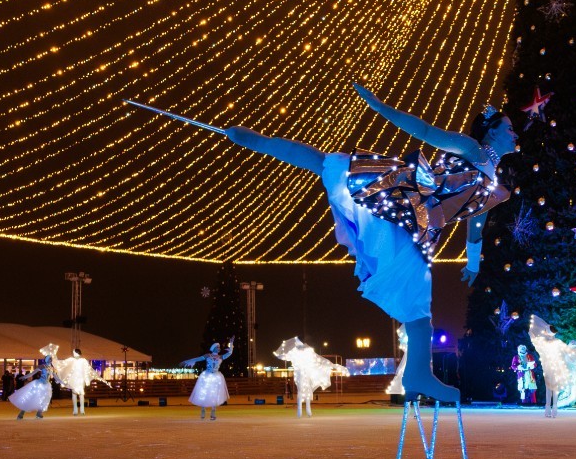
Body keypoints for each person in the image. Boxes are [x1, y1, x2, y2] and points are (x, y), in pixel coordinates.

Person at [127, 84, 516, 403]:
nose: (516, 134)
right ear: (493, 130)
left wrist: (474, 263)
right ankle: (255, 140)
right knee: (329, 165)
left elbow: (476, 224)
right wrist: (381, 107)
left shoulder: (493, 185)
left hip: (419, 229)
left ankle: (417, 376)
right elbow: (426, 133)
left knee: (420, 311)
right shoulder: (472, 149)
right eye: (510, 127)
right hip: (404, 200)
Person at [528, 316, 576, 418]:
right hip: (555, 367)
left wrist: (531, 335)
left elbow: (535, 342)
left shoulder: (544, 342)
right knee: (554, 389)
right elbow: (568, 350)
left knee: (549, 389)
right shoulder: (556, 342)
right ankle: (553, 408)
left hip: (550, 367)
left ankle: (549, 409)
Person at [274, 337, 339, 417]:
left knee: (307, 391)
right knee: (301, 390)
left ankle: (307, 409)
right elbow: (283, 355)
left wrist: (332, 365)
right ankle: (300, 409)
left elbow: (319, 360)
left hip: (306, 373)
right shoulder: (295, 353)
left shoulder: (307, 352)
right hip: (300, 374)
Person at [181, 339, 234, 420]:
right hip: (207, 376)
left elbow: (229, 353)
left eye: (219, 347)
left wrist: (231, 343)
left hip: (216, 376)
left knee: (214, 394)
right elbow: (197, 359)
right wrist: (188, 361)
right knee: (204, 393)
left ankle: (213, 412)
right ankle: (203, 409)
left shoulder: (221, 357)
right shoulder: (208, 355)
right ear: (214, 348)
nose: (219, 348)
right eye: (218, 347)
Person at [9, 345, 60, 420]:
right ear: (46, 360)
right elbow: (32, 373)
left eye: (50, 359)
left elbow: (55, 377)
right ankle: (21, 413)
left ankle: (39, 414)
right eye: (49, 359)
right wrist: (25, 377)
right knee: (30, 397)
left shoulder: (52, 368)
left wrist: (62, 382)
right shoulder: (42, 366)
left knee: (44, 399)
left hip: (46, 386)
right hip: (38, 384)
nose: (50, 360)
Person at [55, 348, 96, 416]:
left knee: (81, 394)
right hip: (73, 379)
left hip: (80, 379)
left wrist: (86, 380)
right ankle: (75, 410)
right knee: (74, 394)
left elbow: (86, 370)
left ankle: (82, 410)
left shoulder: (83, 361)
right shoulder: (71, 360)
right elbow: (63, 363)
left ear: (77, 353)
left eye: (74, 352)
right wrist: (55, 359)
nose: (73, 353)